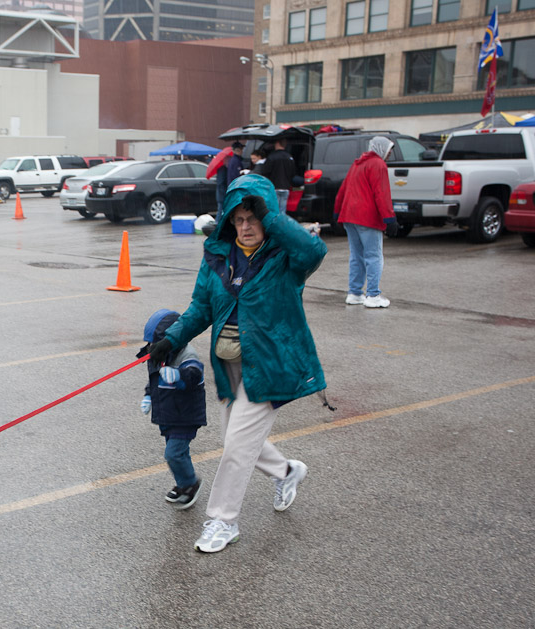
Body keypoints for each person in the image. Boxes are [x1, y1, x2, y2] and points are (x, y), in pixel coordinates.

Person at [147, 173, 328, 553]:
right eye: (239, 219)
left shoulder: (285, 258)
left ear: (266, 217)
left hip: (270, 365)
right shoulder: (218, 256)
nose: (246, 226)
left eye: (254, 217)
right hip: (230, 366)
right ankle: (288, 471)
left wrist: (275, 218)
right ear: (229, 219)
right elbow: (201, 307)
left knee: (236, 447)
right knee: (239, 440)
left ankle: (222, 521)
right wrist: (171, 340)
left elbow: (315, 252)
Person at [137, 309, 208, 509]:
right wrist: (149, 396)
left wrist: (179, 375)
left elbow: (194, 374)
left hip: (185, 414)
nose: (151, 346)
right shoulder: (157, 354)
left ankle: (191, 484)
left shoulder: (186, 354)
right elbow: (153, 378)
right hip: (169, 413)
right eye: (149, 342)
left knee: (173, 454)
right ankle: (182, 483)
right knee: (178, 453)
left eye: (154, 341)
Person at [333, 136, 399, 309]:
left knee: (357, 256)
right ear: (381, 149)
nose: (390, 153)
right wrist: (390, 219)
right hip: (367, 218)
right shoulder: (378, 165)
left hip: (349, 216)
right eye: (389, 150)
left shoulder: (357, 164)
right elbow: (381, 193)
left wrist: (337, 212)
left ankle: (354, 293)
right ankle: (373, 295)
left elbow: (343, 189)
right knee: (374, 256)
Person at [254, 139, 294, 213]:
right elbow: (292, 172)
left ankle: (274, 223)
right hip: (285, 187)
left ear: (277, 143)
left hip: (274, 187)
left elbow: (265, 171)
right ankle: (281, 223)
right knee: (282, 209)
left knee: (274, 209)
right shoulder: (289, 157)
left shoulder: (272, 157)